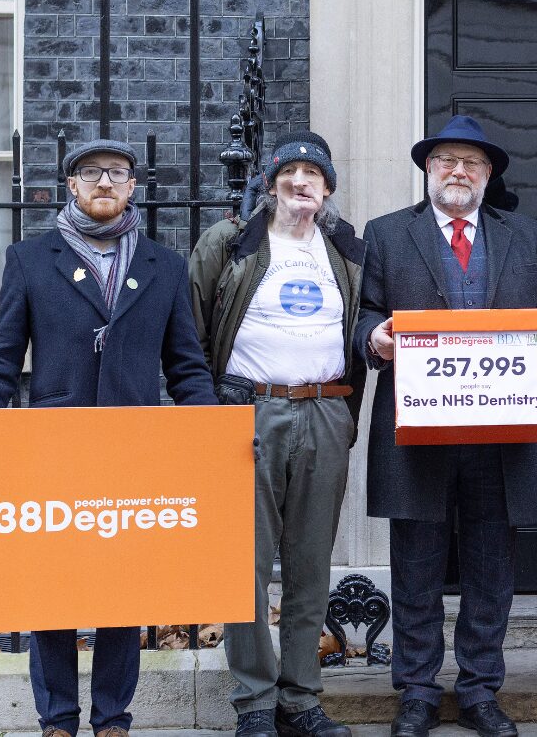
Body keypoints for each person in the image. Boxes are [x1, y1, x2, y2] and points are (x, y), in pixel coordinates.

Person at [0, 138, 217, 737]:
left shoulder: (165, 266)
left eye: (118, 173)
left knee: (123, 590)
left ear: (132, 187)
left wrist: (213, 434)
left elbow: (185, 365)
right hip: (54, 449)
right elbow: (1, 359)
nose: (106, 181)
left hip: (133, 450)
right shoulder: (30, 260)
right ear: (71, 185)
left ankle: (112, 719)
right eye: (91, 172)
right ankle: (57, 718)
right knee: (50, 586)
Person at [353, 115, 537, 737]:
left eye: (471, 163)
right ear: (427, 170)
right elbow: (366, 311)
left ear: (488, 175)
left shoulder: (522, 234)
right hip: (418, 431)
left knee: (490, 568)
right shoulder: (388, 234)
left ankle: (480, 689)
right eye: (446, 160)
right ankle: (417, 692)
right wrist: (373, 337)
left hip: (499, 432)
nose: (458, 171)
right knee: (416, 565)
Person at [188, 131, 365, 737]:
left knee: (310, 565)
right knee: (245, 565)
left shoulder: (346, 249)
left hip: (325, 411)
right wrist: (208, 407)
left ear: (328, 188)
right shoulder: (229, 242)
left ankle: (301, 697)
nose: (300, 182)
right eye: (288, 172)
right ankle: (255, 700)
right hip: (249, 412)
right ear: (268, 183)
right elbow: (190, 329)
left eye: (312, 174)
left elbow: (367, 326)